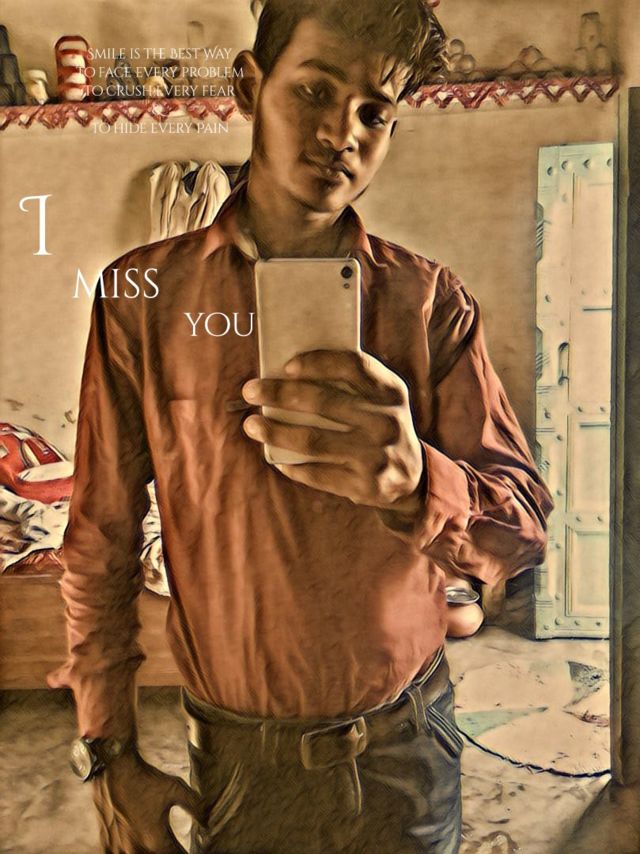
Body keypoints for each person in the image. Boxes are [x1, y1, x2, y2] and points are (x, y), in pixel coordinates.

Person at [47, 1, 554, 852]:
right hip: (242, 761)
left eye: (374, 111)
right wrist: (109, 754)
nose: (342, 133)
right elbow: (100, 538)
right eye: (315, 91)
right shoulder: (142, 300)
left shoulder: (428, 303)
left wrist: (417, 482)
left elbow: (524, 532)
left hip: (406, 746)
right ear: (250, 86)